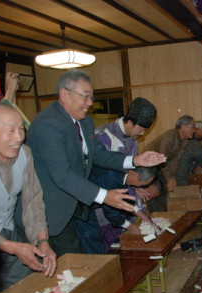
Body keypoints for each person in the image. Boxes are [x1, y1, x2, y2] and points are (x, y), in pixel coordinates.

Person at [26, 70, 166, 256]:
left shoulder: (84, 122)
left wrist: (135, 160)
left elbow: (99, 155)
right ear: (64, 94)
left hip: (80, 203)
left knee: (84, 255)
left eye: (91, 98)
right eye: (85, 97)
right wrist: (104, 196)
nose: (90, 103)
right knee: (66, 261)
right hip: (53, 207)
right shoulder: (48, 124)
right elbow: (62, 174)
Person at [0, 102, 56, 292]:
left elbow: (33, 199)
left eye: (21, 129)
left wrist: (42, 241)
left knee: (26, 288)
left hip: (6, 231)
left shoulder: (24, 154)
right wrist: (10, 246)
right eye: (10, 131)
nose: (18, 137)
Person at [80, 97, 158, 253]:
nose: (142, 134)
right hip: (99, 201)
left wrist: (134, 188)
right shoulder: (104, 136)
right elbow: (102, 178)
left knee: (127, 238)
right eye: (141, 129)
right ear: (129, 122)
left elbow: (129, 174)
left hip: (120, 193)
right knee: (107, 244)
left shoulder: (133, 139)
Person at [143, 115, 195, 193]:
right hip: (147, 166)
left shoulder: (185, 141)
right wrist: (168, 179)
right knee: (156, 192)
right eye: (193, 127)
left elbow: (175, 161)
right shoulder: (169, 137)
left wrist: (172, 178)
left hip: (159, 165)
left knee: (166, 189)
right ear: (183, 127)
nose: (194, 130)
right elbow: (161, 159)